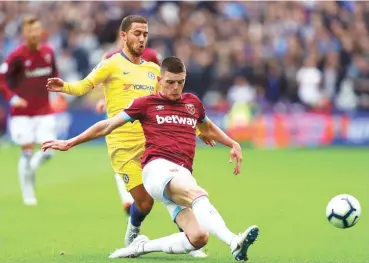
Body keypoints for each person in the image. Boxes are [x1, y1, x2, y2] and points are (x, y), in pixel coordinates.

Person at [42, 56, 260, 261]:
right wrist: (70, 142)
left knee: (198, 237)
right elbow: (107, 125)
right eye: (171, 82)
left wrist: (232, 143)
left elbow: (208, 127)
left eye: (180, 82)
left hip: (181, 174)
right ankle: (234, 241)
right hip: (157, 169)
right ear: (160, 80)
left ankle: (140, 247)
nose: (176, 88)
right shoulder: (146, 104)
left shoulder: (192, 103)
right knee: (197, 193)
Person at [45, 15, 209, 258]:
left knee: (172, 190)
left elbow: (167, 105)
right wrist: (65, 87)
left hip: (153, 143)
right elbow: (84, 86)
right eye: (136, 33)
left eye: (145, 34)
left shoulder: (154, 70)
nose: (141, 38)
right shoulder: (111, 64)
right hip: (122, 146)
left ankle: (190, 238)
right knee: (145, 203)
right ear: (124, 35)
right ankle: (133, 231)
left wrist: (198, 129)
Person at [96, 33, 162, 215]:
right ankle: (128, 201)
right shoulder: (110, 58)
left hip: (145, 118)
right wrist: (104, 100)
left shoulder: (151, 56)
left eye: (143, 34)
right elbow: (105, 83)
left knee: (148, 160)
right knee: (121, 158)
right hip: (120, 116)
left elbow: (160, 83)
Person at [0, 15, 62, 206]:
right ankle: (27, 192)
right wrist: (13, 98)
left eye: (37, 29)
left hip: (44, 111)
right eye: (31, 30)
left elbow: (54, 75)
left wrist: (58, 92)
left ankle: (31, 170)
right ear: (25, 33)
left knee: (49, 150)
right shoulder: (17, 56)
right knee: (26, 152)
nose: (35, 33)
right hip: (23, 114)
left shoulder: (48, 52)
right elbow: (2, 79)